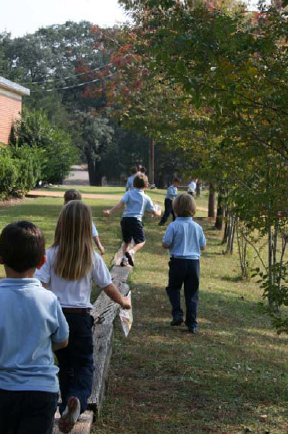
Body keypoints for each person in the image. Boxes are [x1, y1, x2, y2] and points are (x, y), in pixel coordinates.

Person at [35, 201, 131, 433]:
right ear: (87, 228)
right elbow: (107, 286)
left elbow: (39, 282)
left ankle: (66, 402)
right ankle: (77, 398)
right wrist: (123, 301)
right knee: (85, 365)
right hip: (80, 319)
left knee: (65, 363)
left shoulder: (51, 254)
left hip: (55, 318)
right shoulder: (92, 257)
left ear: (61, 225)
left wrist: (49, 297)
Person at [0, 221, 69, 434]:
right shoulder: (49, 299)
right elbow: (63, 340)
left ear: (1, 258)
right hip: (42, 390)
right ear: (42, 262)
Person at [162, 194, 206, 334]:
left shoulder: (173, 226)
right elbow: (203, 246)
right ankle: (192, 323)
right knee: (192, 293)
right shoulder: (197, 227)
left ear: (175, 209)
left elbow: (165, 244)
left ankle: (177, 313)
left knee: (173, 288)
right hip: (194, 263)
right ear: (193, 209)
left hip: (177, 262)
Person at [103, 173, 161, 267]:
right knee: (141, 241)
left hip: (125, 220)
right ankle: (131, 252)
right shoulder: (146, 198)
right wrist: (159, 211)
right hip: (135, 221)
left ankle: (124, 259)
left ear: (133, 184)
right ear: (146, 186)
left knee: (126, 241)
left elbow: (121, 204)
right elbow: (154, 212)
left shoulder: (128, 193)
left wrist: (110, 212)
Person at [64, 189, 105, 255]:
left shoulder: (64, 216)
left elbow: (93, 231)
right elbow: (93, 232)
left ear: (65, 203)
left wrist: (99, 246)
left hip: (71, 248)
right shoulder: (84, 215)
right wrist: (99, 246)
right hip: (81, 248)